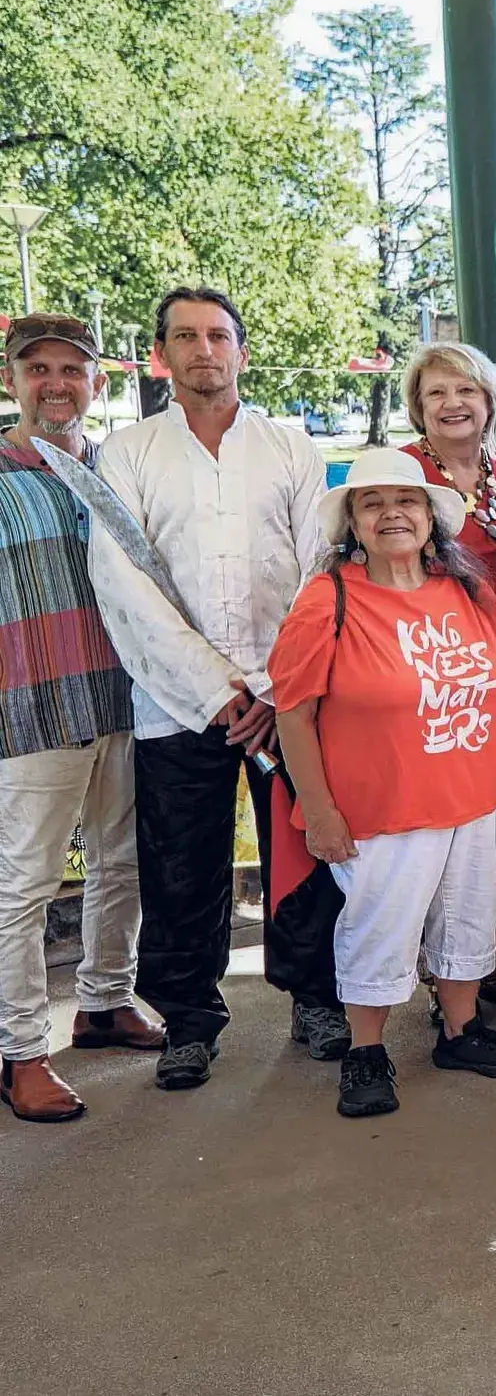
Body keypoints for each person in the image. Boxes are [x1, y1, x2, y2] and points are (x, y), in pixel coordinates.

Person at [89, 287, 343, 1090]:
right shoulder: (128, 452)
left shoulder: (290, 446)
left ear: (241, 348)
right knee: (179, 865)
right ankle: (189, 1021)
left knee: (303, 853)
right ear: (162, 353)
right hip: (176, 701)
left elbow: (318, 571)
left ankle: (315, 996)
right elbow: (123, 582)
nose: (204, 350)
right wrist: (217, 691)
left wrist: (274, 691)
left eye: (218, 335)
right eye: (186, 337)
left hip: (288, 699)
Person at [268, 450, 496, 1117]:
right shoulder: (326, 599)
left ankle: (460, 1028)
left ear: (429, 516)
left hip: (472, 795)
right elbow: (293, 713)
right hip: (382, 807)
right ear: (353, 523)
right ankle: (366, 1052)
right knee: (379, 927)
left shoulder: (469, 591)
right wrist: (321, 809)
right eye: (373, 502)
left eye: (408, 500)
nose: (393, 512)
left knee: (469, 914)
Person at [0, 314, 162, 1123]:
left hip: (124, 699)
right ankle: (22, 1051)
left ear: (96, 384)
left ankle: (104, 1000)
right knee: (23, 887)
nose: (56, 383)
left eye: (73, 369)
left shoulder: (116, 471)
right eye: (39, 369)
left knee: (121, 863)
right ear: (12, 381)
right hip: (28, 709)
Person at [400, 341, 496, 1016]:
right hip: (446, 682)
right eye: (436, 393)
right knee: (459, 835)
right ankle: (452, 978)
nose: (453, 404)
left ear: (490, 402)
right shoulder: (404, 474)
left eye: (465, 391)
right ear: (418, 407)